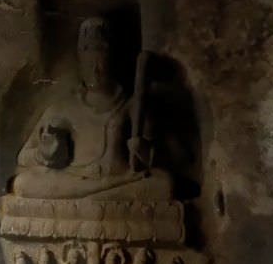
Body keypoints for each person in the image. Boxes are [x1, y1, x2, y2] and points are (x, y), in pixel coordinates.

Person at [12, 17, 171, 201]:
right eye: (88, 56)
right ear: (79, 59)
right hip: (71, 181)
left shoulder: (132, 105)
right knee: (22, 184)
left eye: (101, 57)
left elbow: (161, 158)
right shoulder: (61, 109)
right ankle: (94, 197)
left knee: (164, 184)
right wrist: (46, 154)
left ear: (114, 59)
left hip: (118, 181)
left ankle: (95, 197)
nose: (95, 69)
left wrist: (143, 151)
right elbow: (23, 157)